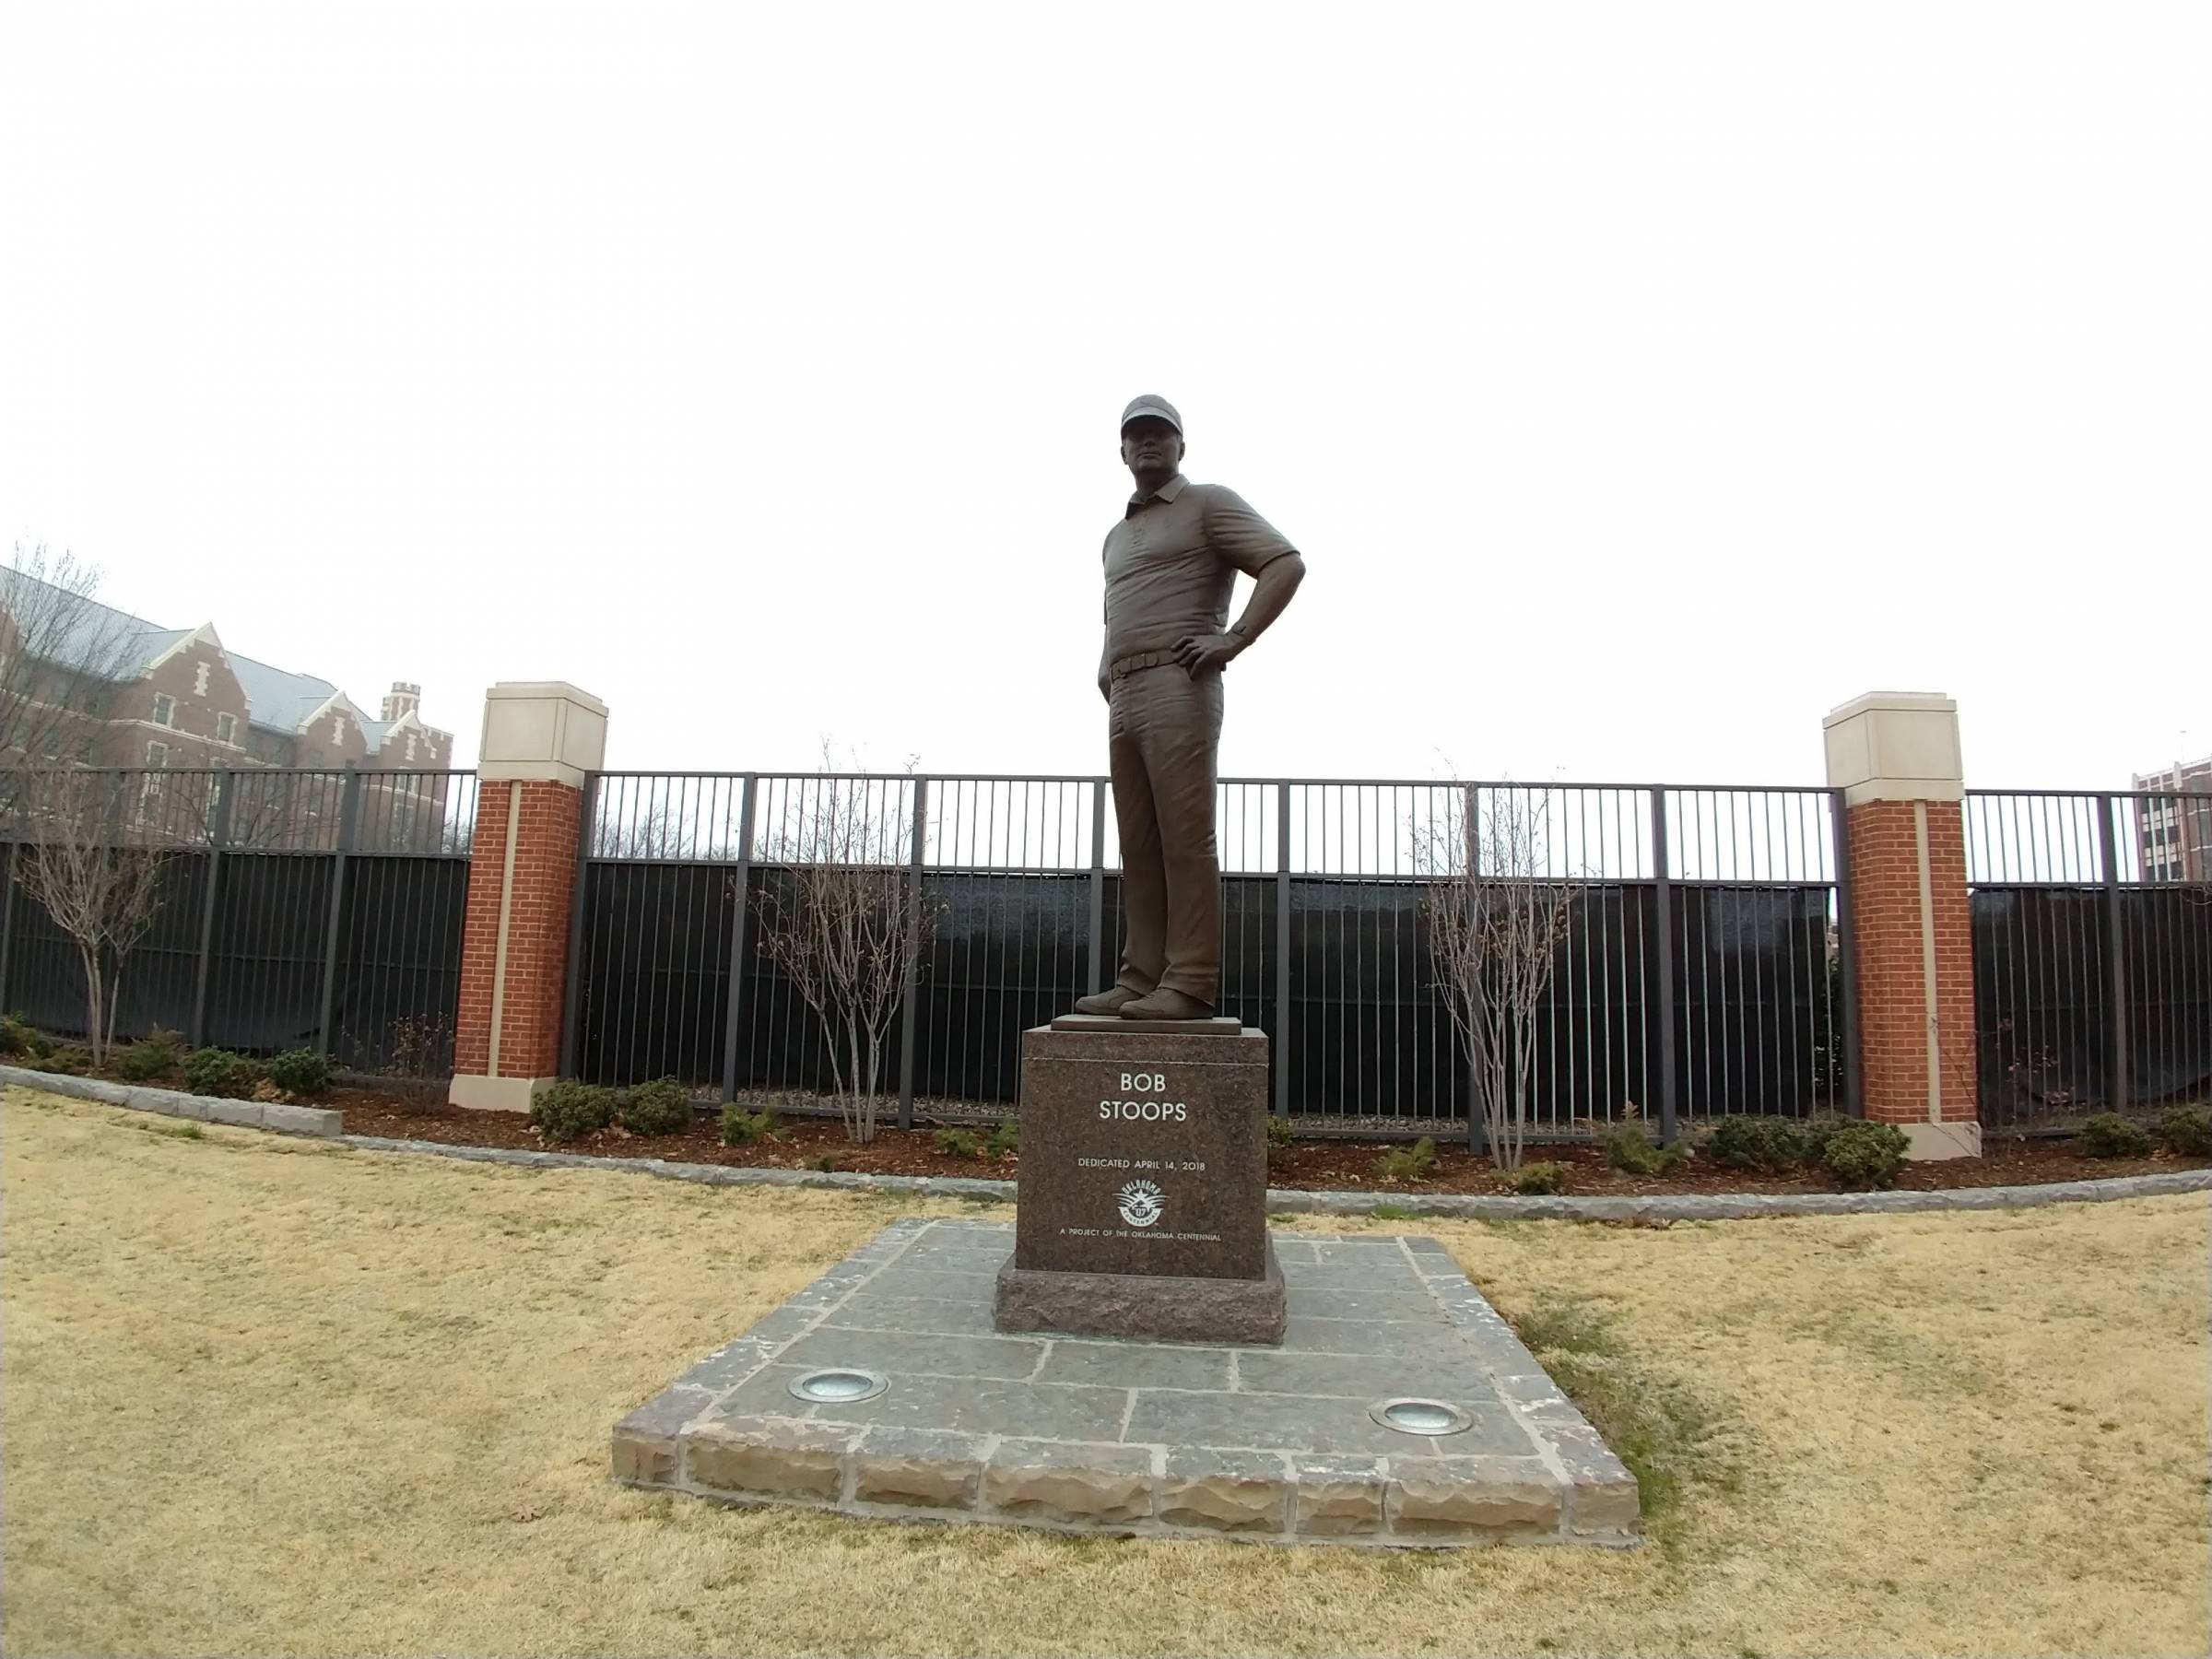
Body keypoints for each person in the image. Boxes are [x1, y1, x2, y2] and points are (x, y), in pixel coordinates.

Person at [1073, 394, 1305, 1020]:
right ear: (1121, 450)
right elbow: (1114, 608)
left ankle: (1191, 980)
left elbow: (1283, 562)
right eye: (1136, 435)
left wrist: (1235, 639)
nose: (1148, 442)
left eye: (1161, 433)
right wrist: (1105, 667)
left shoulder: (1209, 502)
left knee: (1184, 838)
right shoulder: (1115, 537)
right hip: (1122, 693)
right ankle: (1140, 977)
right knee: (1138, 844)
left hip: (1180, 683)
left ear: (1181, 445)